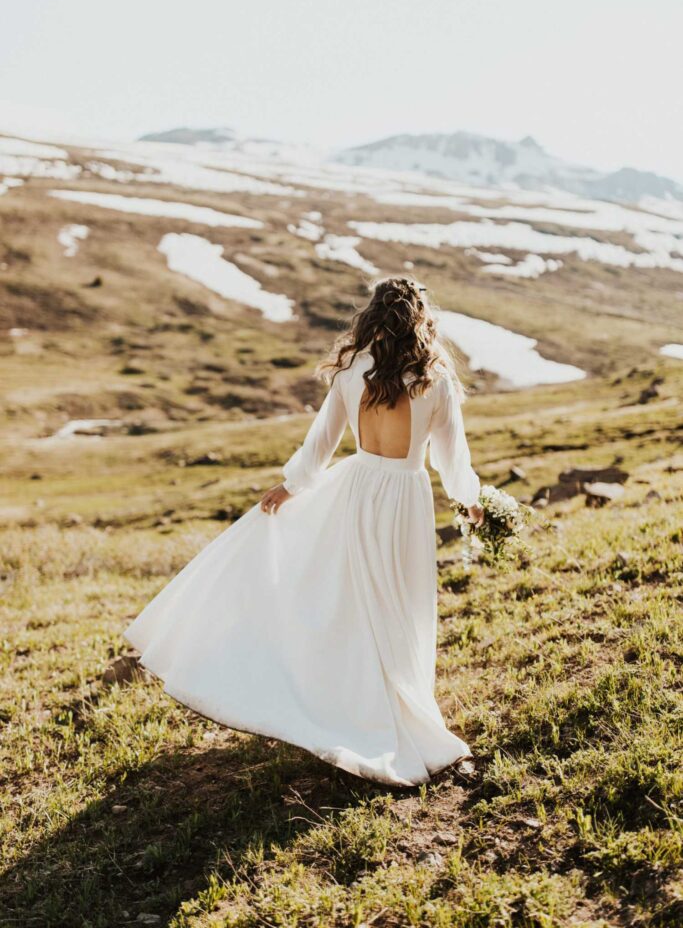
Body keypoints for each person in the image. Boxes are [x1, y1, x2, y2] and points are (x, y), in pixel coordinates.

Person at [124, 276, 484, 787]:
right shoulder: (435, 381)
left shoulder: (351, 371)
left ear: (373, 317)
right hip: (405, 499)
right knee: (402, 608)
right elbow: (453, 461)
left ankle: (354, 704)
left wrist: (289, 488)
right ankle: (398, 712)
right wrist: (472, 502)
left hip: (357, 490)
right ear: (423, 323)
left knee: (357, 603)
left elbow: (322, 442)